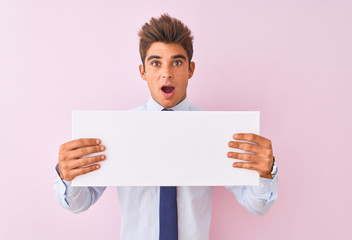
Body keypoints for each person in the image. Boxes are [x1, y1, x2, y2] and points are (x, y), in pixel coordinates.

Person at [54, 13, 278, 240]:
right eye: (155, 63)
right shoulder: (119, 129)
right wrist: (67, 176)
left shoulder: (215, 130)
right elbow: (78, 203)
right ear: (143, 72)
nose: (167, 73)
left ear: (190, 70)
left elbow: (256, 204)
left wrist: (265, 172)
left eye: (177, 62)